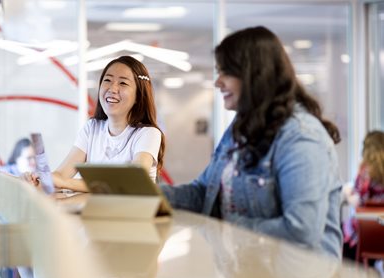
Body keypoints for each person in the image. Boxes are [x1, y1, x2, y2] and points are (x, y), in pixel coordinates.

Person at [161, 26, 343, 258]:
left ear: (253, 75)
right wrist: (150, 195)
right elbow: (205, 193)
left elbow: (301, 231)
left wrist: (226, 225)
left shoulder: (301, 137)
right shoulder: (240, 129)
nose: (218, 82)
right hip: (251, 272)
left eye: (226, 73)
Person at [25, 55, 165, 192]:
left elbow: (131, 181)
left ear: (138, 96)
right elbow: (61, 175)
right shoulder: (92, 128)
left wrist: (65, 183)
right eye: (107, 80)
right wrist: (40, 179)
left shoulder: (149, 134)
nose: (112, 88)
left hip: (134, 213)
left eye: (123, 83)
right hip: (97, 211)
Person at [342, 131, 384, 261]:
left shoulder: (364, 174)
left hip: (364, 237)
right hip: (381, 236)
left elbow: (359, 201)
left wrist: (348, 196)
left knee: (341, 230)